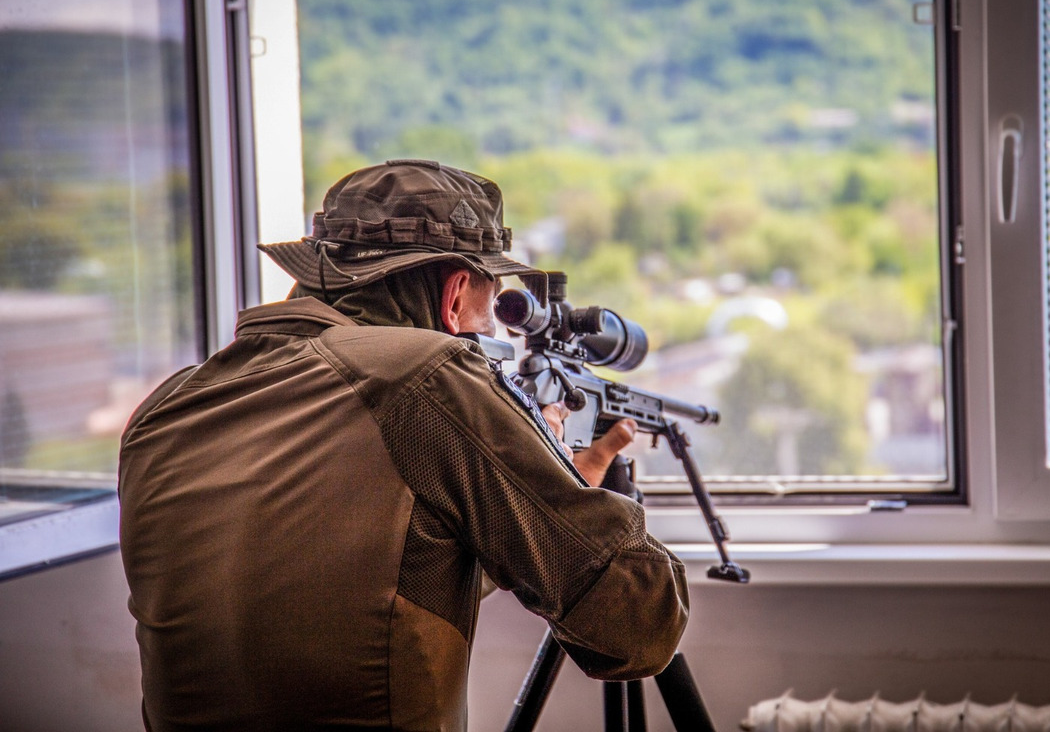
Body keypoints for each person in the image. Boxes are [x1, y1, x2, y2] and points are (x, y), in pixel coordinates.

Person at [118, 159, 689, 731]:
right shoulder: (426, 374)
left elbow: (382, 573)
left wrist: (541, 490)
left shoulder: (169, 406)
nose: (490, 338)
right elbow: (638, 623)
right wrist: (548, 468)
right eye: (490, 315)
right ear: (456, 293)